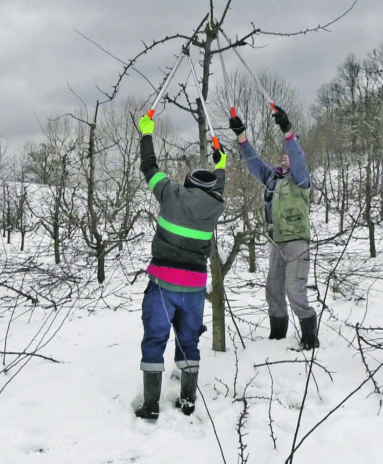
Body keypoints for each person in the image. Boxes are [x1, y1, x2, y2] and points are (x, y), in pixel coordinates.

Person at [134, 114, 226, 420]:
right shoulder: (215, 207)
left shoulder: (170, 193)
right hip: (195, 290)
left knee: (154, 339)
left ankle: (150, 405)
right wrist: (221, 163)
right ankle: (188, 400)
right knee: (188, 342)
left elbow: (149, 168)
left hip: (163, 286)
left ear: (186, 183)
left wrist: (147, 133)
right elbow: (217, 186)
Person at [231, 106, 318, 350]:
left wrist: (287, 130)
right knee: (274, 289)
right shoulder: (273, 178)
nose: (284, 156)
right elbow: (253, 163)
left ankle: (310, 337)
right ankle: (277, 336)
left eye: (289, 154)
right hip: (276, 241)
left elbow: (297, 157)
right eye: (284, 154)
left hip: (297, 242)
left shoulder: (300, 179)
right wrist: (242, 138)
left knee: (295, 289)